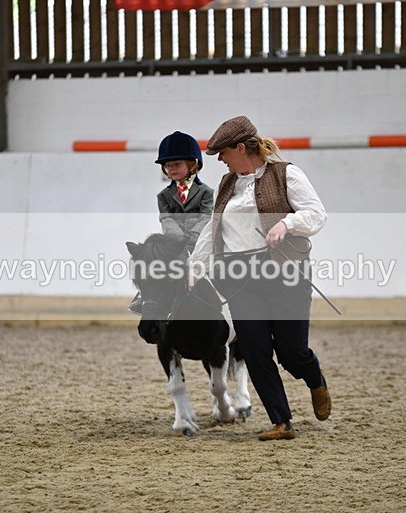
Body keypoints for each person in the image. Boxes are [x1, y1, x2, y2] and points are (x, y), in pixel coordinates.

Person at [188, 116, 331, 440]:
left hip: (284, 273)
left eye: (223, 153)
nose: (221, 160)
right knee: (254, 350)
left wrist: (286, 224)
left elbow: (316, 214)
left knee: (292, 354)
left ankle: (315, 379)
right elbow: (213, 229)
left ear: (241, 148)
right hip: (239, 277)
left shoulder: (286, 174)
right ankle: (282, 421)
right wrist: (195, 267)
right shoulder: (227, 184)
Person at [129, 131, 214, 314]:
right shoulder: (164, 196)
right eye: (168, 166)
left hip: (201, 241)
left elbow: (206, 217)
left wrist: (192, 238)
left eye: (176, 164)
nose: (171, 169)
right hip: (175, 245)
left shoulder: (206, 192)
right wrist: (178, 242)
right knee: (154, 265)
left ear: (193, 164)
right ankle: (145, 296)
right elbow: (166, 219)